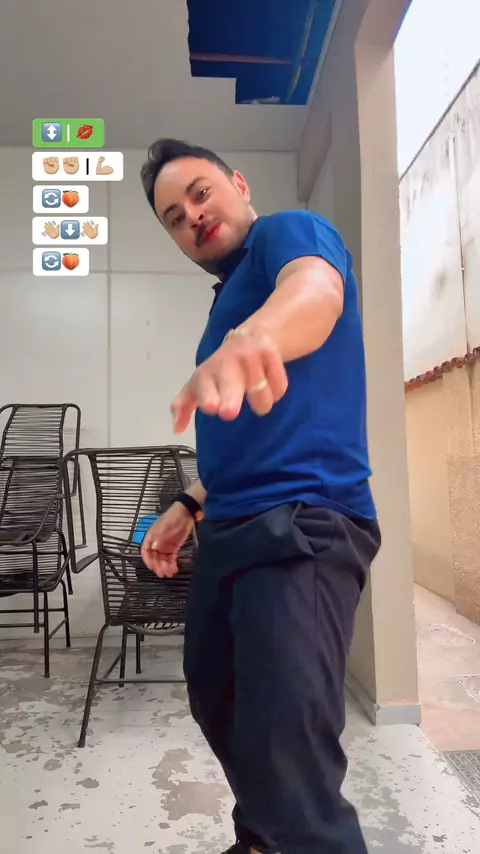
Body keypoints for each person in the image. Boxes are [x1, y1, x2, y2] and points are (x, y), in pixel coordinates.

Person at [139, 138, 381, 854]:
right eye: (175, 217)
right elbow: (249, 432)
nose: (192, 216)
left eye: (201, 193)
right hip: (234, 526)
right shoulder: (229, 301)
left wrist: (256, 336)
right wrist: (190, 504)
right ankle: (262, 841)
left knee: (287, 739)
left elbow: (316, 291)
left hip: (303, 519)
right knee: (220, 697)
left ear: (239, 185)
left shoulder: (288, 234)